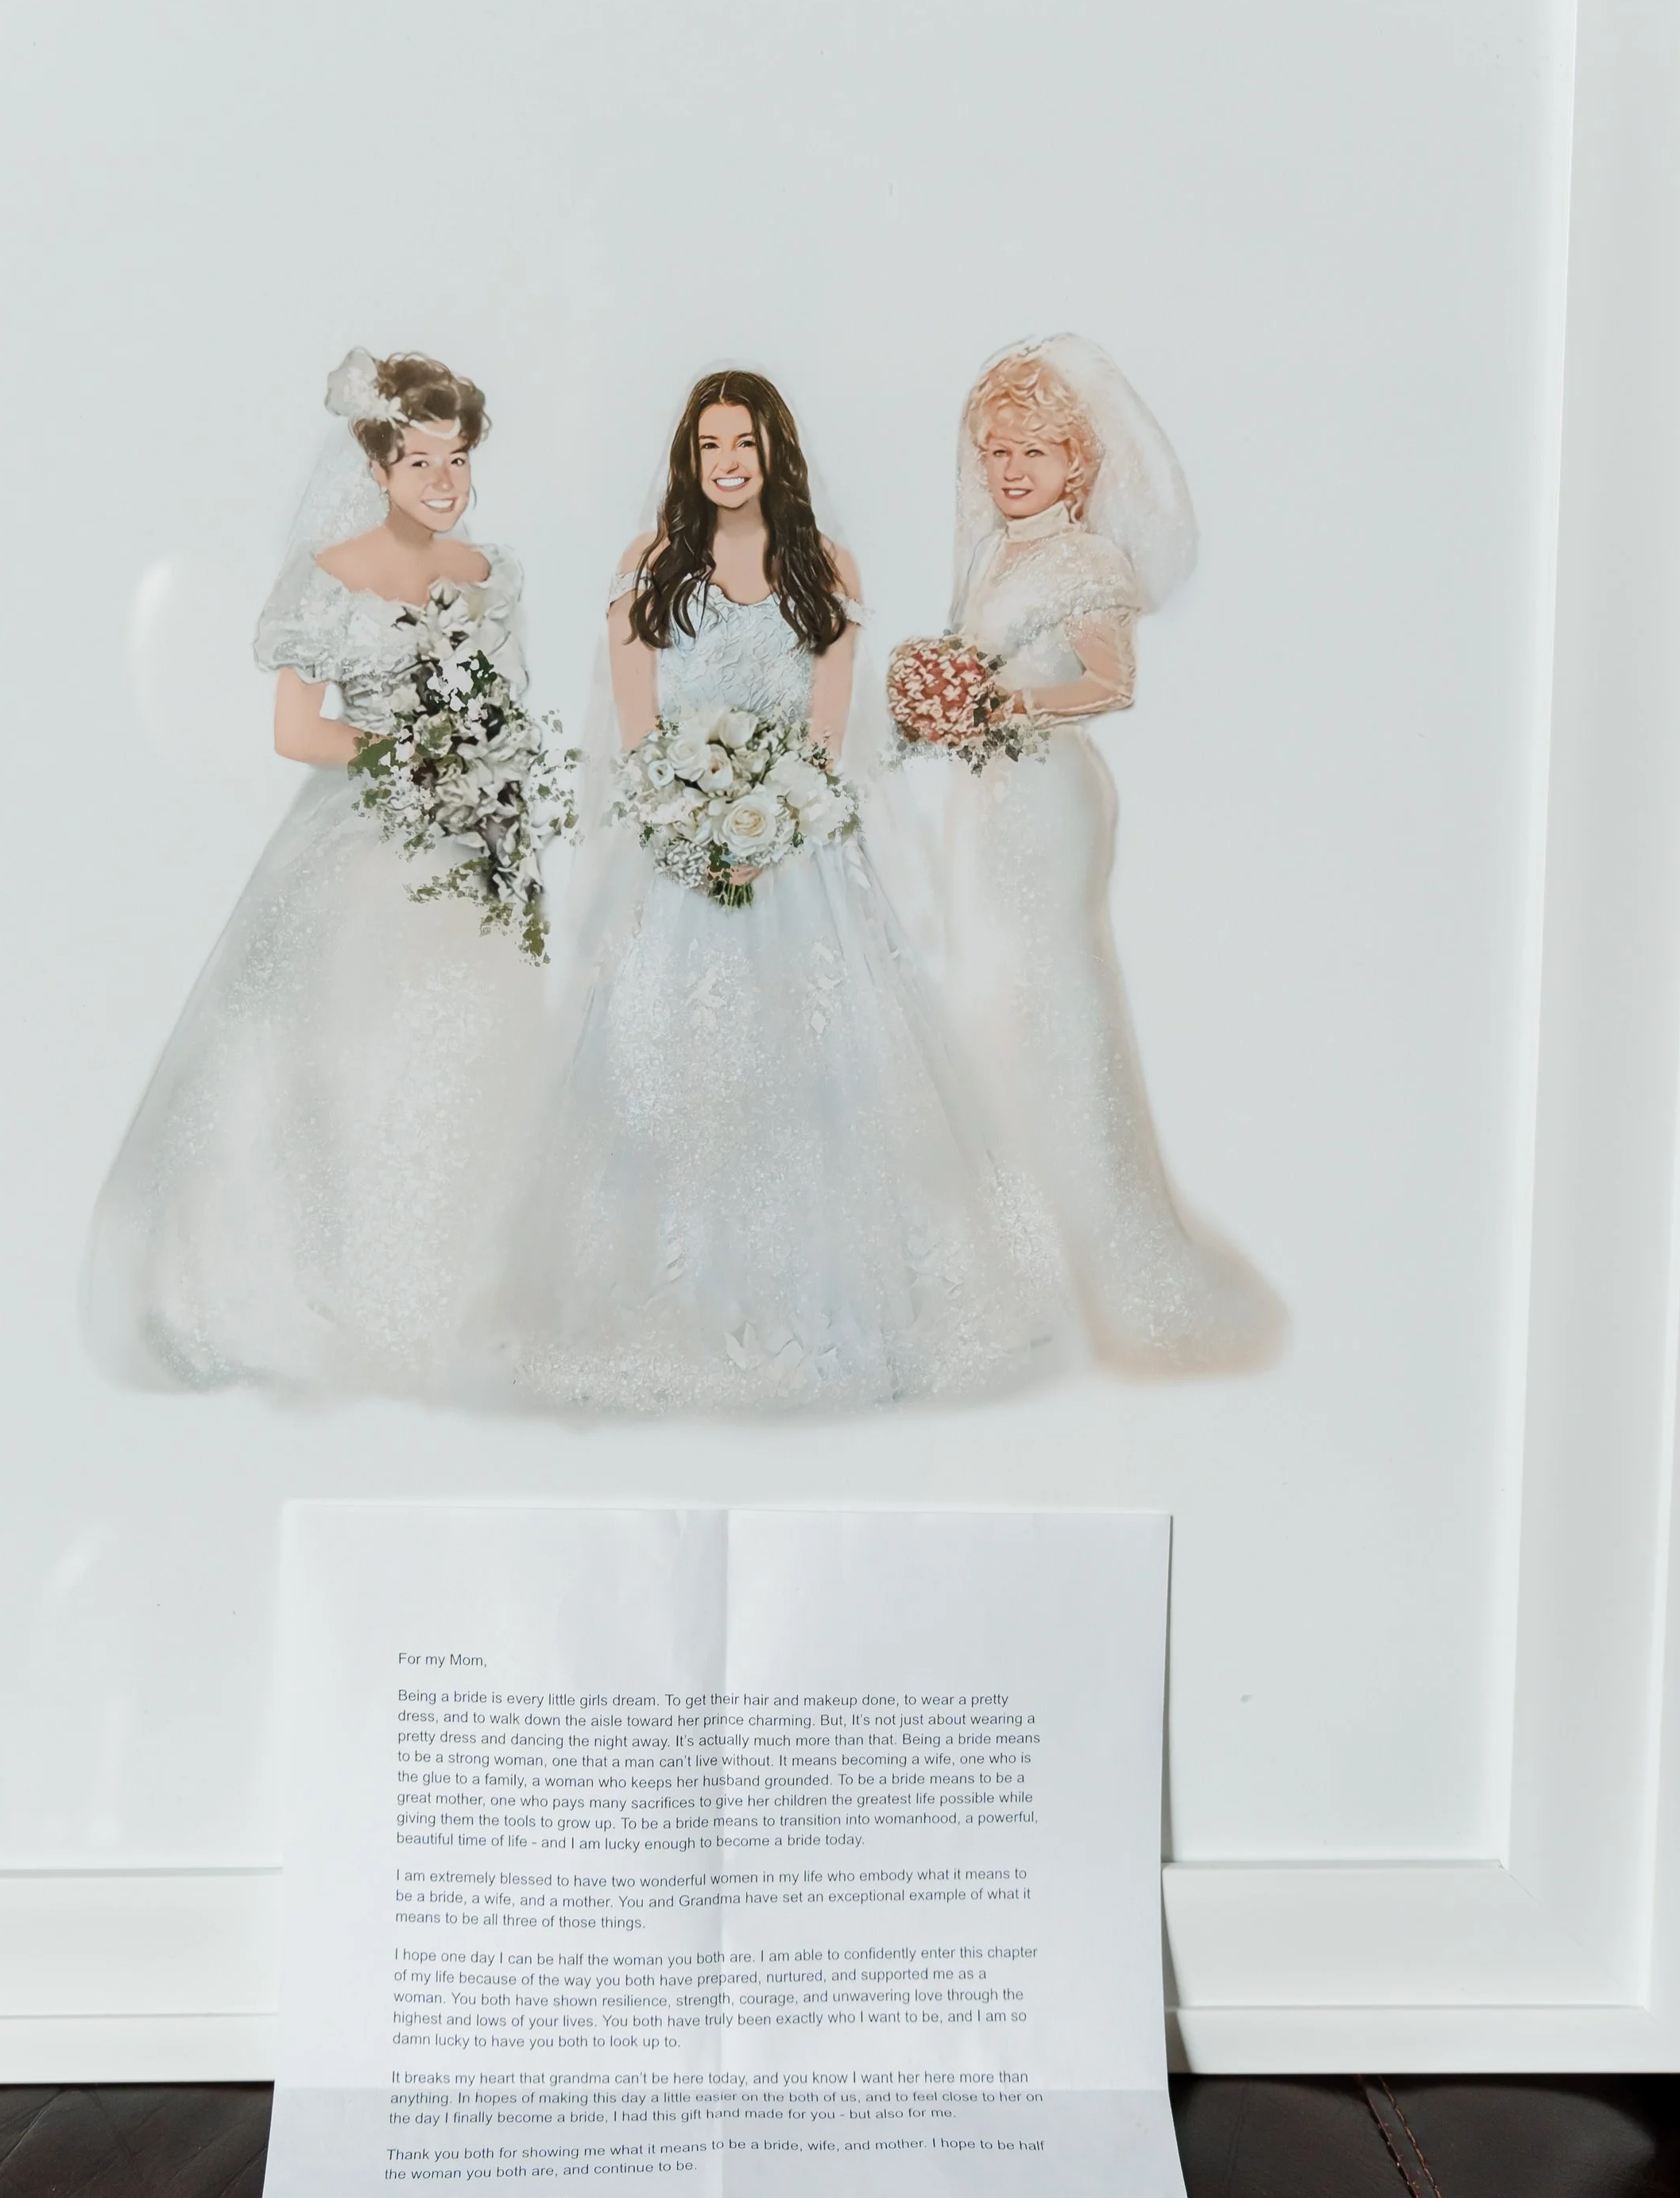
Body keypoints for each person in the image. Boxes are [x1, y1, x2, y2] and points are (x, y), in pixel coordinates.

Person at [494, 368, 1059, 1411]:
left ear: (774, 453)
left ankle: (831, 1312)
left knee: (828, 1074)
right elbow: (636, 729)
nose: (728, 462)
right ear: (689, 457)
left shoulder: (824, 569)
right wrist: (693, 823)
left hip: (801, 860)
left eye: (744, 443)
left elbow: (826, 735)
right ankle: (672, 1312)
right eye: (710, 445)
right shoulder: (650, 565)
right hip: (678, 856)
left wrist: (773, 826)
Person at [83, 347, 548, 1398]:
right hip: (368, 829)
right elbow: (297, 731)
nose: (443, 482)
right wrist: (408, 757)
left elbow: (506, 709)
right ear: (379, 468)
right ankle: (342, 1291)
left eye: (457, 461)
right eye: (421, 462)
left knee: (479, 1042)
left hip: (477, 828)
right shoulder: (331, 579)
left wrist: (488, 783)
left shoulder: (489, 576)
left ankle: (463, 1295)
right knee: (359, 1045)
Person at [912, 335, 1283, 1374]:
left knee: (1053, 993)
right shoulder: (994, 553)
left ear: (1076, 462)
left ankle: (1098, 1253)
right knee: (987, 986)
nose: (1011, 470)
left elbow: (1112, 683)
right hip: (986, 798)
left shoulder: (1085, 562)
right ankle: (1008, 1250)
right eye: (997, 452)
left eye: (1033, 451)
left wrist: (1005, 704)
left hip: (1048, 799)